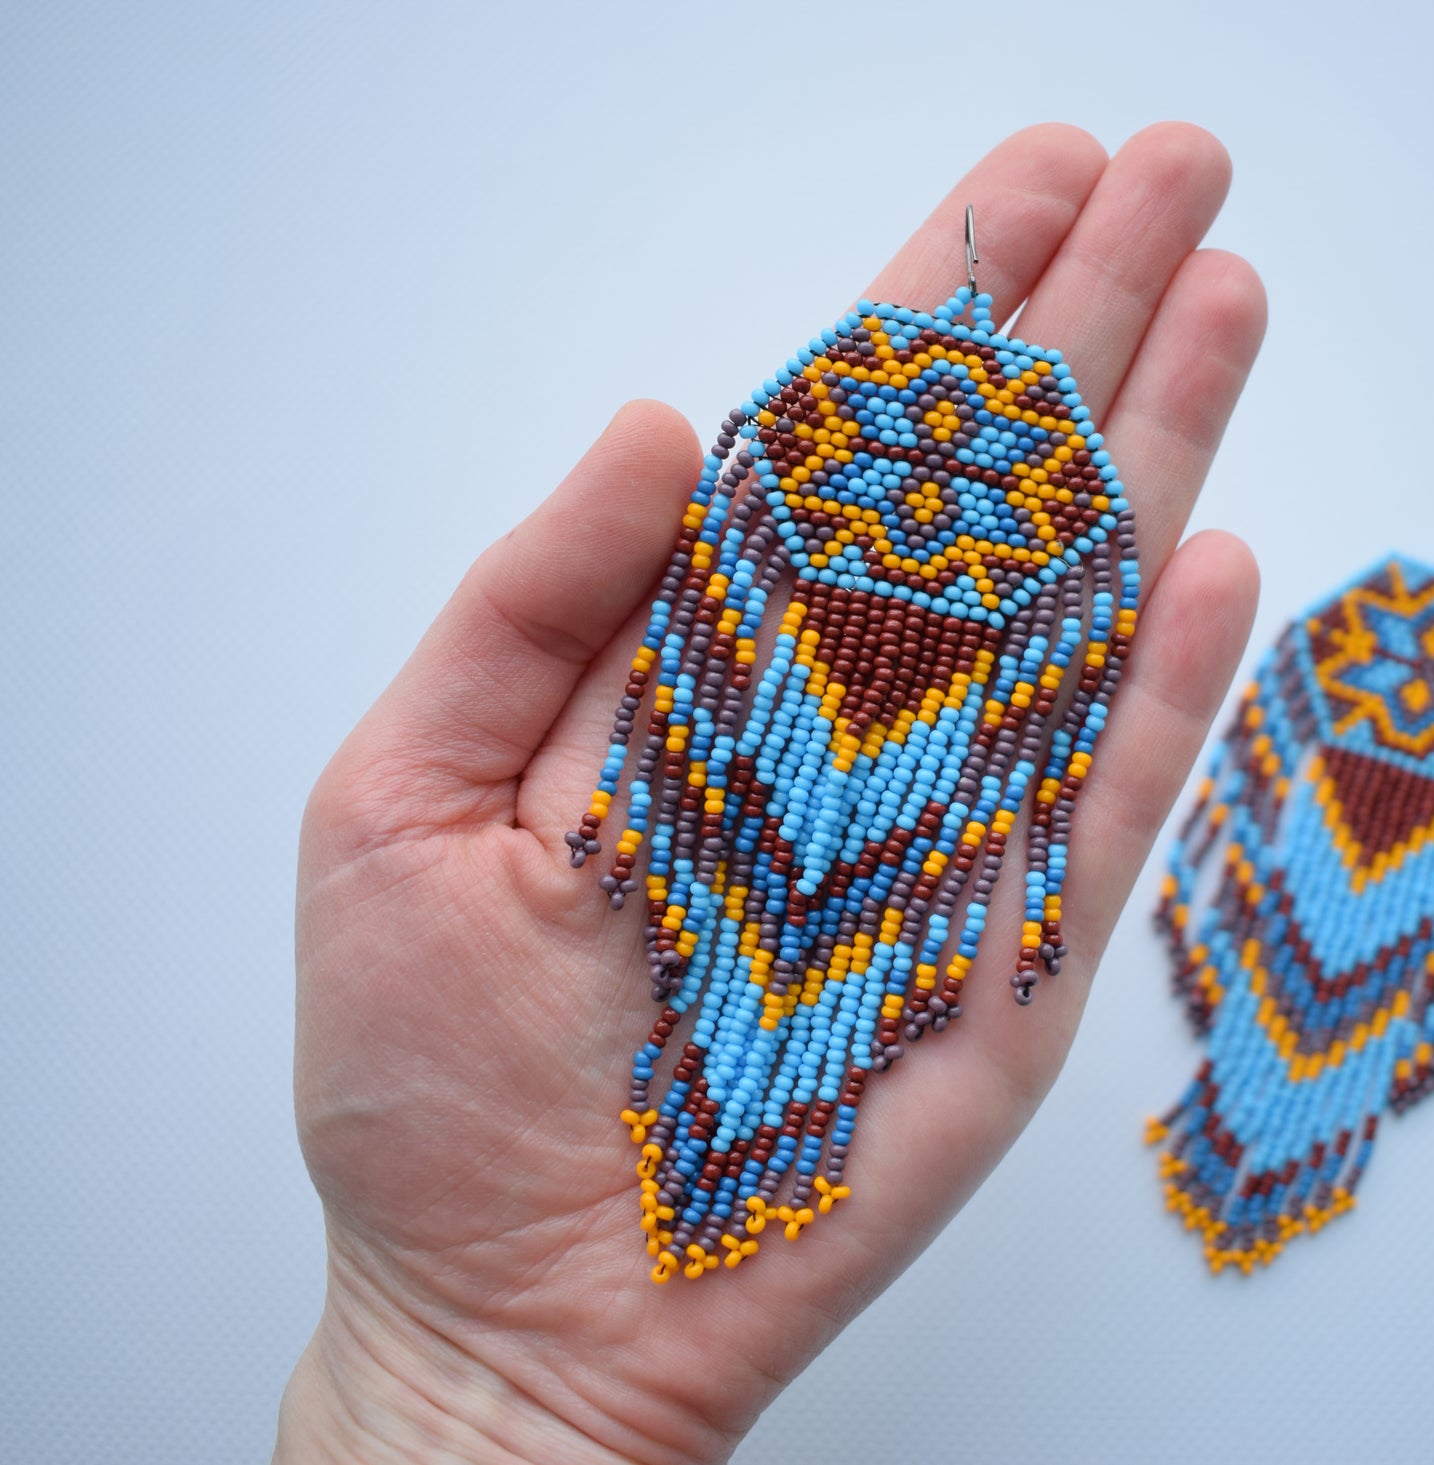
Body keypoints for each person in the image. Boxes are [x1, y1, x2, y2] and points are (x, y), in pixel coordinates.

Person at [276, 121, 1266, 1464]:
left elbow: (703, 629)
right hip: (885, 710)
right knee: (842, 943)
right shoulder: (953, 467)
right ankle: (756, 1116)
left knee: (813, 934)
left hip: (828, 701)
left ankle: (751, 1110)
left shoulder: (820, 430)